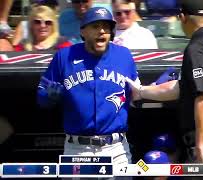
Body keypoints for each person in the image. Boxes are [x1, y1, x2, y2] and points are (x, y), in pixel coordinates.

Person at [126, 0, 203, 167]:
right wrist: (141, 92)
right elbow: (183, 88)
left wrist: (201, 146)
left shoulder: (198, 47)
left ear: (182, 17)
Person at [37, 7, 138, 168]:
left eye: (106, 26)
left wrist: (155, 88)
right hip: (77, 148)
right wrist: (48, 97)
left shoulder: (124, 56)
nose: (102, 31)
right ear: (83, 31)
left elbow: (136, 96)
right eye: (95, 26)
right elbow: (41, 97)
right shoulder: (64, 56)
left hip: (116, 148)